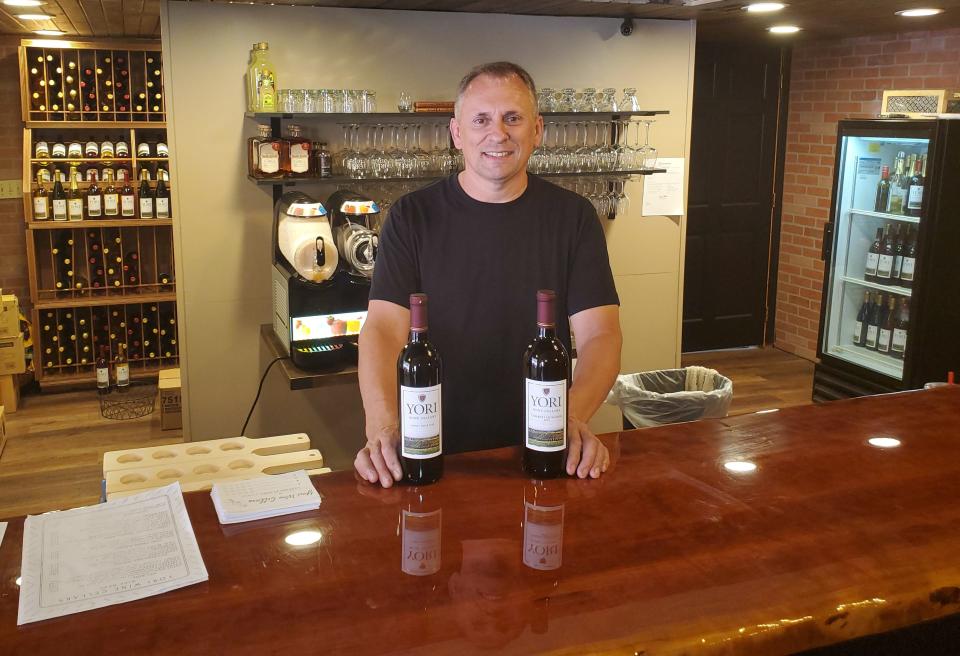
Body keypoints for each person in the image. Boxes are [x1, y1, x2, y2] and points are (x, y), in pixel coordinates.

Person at [355, 61, 622, 488]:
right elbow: (384, 330)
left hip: (542, 449)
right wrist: (382, 424)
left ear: (537, 130)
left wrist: (569, 416)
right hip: (430, 450)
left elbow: (601, 335)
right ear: (457, 132)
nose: (497, 134)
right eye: (481, 119)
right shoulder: (412, 217)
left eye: (512, 118)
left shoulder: (573, 218)